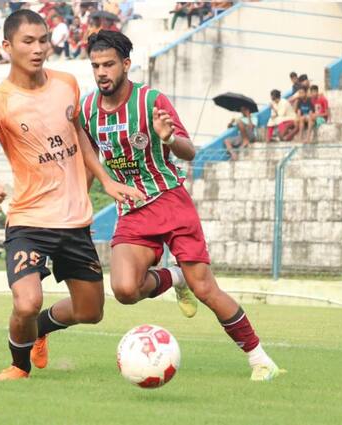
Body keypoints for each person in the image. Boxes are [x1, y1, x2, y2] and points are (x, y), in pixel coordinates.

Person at [80, 30, 283, 381]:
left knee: (205, 288)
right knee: (125, 290)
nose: (101, 72)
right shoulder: (87, 109)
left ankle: (260, 359)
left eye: (109, 64)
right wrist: (82, 201)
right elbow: (89, 157)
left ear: (126, 65)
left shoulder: (150, 100)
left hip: (171, 201)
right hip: (132, 209)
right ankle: (174, 277)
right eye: (96, 65)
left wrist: (170, 138)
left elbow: (191, 151)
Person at [0, 10, 143, 381]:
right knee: (27, 301)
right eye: (28, 41)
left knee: (91, 311)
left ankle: (43, 329)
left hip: (74, 221)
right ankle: (19, 366)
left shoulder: (67, 83)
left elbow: (81, 138)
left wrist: (105, 179)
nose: (38, 49)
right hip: (29, 222)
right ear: (7, 47)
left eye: (43, 40)